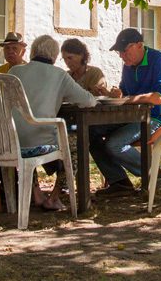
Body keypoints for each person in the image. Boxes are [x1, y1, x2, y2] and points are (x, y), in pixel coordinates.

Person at [9, 35, 97, 210]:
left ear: (32, 52)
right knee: (78, 143)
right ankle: (55, 196)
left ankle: (36, 192)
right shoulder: (59, 75)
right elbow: (89, 101)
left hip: (11, 139)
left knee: (26, 131)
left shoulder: (14, 72)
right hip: (40, 139)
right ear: (55, 56)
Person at [90, 28, 161, 196]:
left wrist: (129, 99)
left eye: (125, 51)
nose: (122, 56)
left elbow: (158, 98)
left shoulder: (158, 59)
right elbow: (124, 94)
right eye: (119, 52)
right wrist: (113, 94)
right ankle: (119, 182)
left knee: (114, 144)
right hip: (131, 116)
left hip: (155, 118)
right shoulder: (128, 66)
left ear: (139, 45)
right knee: (90, 131)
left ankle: (155, 174)